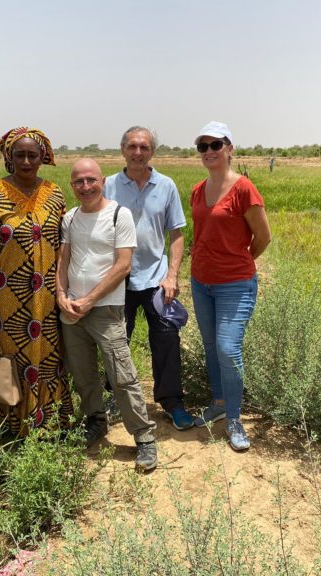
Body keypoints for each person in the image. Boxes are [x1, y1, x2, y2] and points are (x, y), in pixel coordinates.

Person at [57, 159, 158, 472]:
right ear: (72, 185)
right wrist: (61, 296)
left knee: (122, 374)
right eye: (78, 182)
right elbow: (64, 260)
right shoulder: (70, 218)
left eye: (91, 180)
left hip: (105, 309)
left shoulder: (118, 214)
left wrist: (89, 299)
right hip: (72, 308)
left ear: (102, 181)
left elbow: (123, 265)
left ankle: (144, 437)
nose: (86, 187)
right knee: (83, 372)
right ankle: (95, 421)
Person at [0, 127, 73, 437]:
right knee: (9, 361)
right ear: (8, 157)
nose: (26, 161)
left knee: (48, 359)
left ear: (43, 157)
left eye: (33, 155)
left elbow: (65, 246)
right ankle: (9, 428)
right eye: (20, 155)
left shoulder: (54, 194)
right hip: (7, 301)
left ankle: (50, 427)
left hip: (48, 298)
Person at [103, 126, 194, 430]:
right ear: (122, 150)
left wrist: (172, 275)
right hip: (120, 278)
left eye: (144, 147)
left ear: (152, 151)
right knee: (116, 340)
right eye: (132, 146)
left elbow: (177, 233)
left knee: (166, 338)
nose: (138, 153)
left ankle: (171, 402)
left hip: (156, 278)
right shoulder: (108, 186)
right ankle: (115, 400)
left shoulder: (166, 185)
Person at [190, 121, 271, 451]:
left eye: (216, 145)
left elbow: (263, 237)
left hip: (235, 284)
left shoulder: (243, 190)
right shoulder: (198, 189)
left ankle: (235, 418)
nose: (209, 151)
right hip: (201, 281)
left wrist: (239, 261)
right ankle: (219, 403)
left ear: (230, 149)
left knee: (227, 347)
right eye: (203, 146)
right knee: (211, 346)